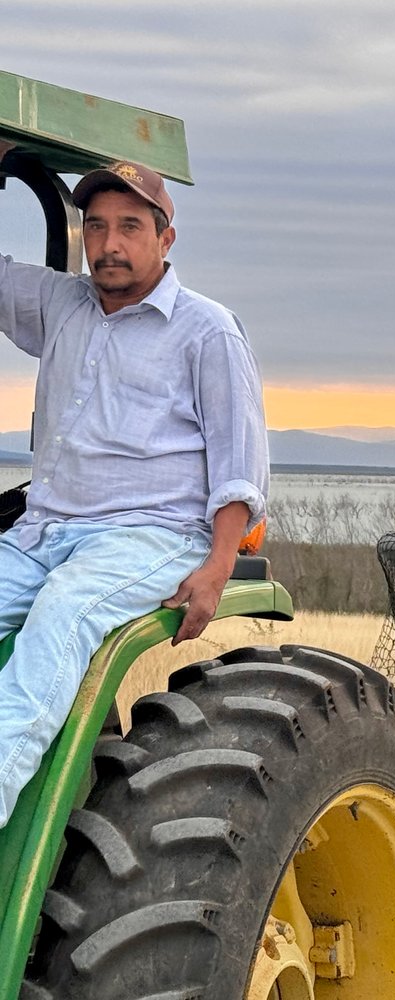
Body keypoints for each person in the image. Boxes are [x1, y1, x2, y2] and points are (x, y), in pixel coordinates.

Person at [0, 160, 268, 828]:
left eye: (129, 226)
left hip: (149, 535)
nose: (109, 243)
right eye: (96, 226)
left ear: (165, 238)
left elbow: (240, 461)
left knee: (60, 622)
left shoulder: (206, 330)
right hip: (44, 533)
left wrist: (217, 565)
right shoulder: (63, 305)